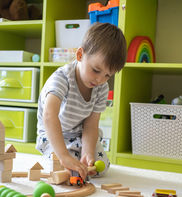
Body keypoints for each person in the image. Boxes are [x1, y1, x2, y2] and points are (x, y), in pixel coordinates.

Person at [36, 22, 127, 180]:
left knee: (100, 167)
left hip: (79, 135)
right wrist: (64, 156)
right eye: (96, 70)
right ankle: (66, 156)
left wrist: (87, 153)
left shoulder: (101, 87)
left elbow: (91, 125)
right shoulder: (61, 78)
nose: (100, 79)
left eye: (107, 75)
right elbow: (49, 116)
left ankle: (77, 156)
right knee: (66, 168)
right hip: (54, 134)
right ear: (80, 55)